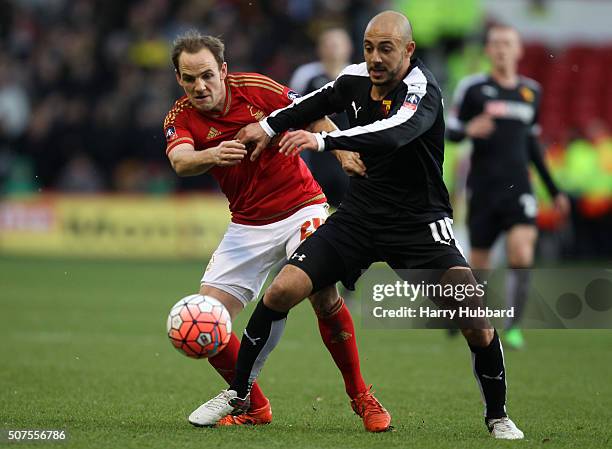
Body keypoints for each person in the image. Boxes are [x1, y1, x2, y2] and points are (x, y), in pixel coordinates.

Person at [191, 11, 524, 440]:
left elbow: (393, 133)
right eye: (368, 47)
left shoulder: (422, 90)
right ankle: (238, 393)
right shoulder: (355, 78)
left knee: (474, 316)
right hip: (361, 216)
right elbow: (313, 102)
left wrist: (324, 140)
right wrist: (268, 125)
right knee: (281, 291)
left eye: (386, 48)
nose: (375, 58)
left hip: (419, 222)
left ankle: (497, 415)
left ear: (408, 50)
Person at [163, 30, 389, 431]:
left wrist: (340, 151)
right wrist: (212, 154)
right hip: (246, 224)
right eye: (189, 78)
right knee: (203, 318)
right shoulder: (180, 116)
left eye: (207, 75)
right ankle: (253, 405)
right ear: (179, 79)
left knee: (322, 295)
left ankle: (361, 397)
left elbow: (313, 114)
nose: (200, 86)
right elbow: (181, 161)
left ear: (223, 71)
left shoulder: (256, 88)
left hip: (302, 207)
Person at [446, 24, 570, 349]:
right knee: (480, 265)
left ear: (518, 50)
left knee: (521, 252)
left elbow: (532, 145)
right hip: (484, 190)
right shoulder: (473, 89)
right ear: (488, 50)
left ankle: (513, 326)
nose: (501, 49)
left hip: (520, 190)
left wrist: (554, 191)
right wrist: (469, 129)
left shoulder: (532, 92)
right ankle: (466, 317)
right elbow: (451, 130)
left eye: (507, 44)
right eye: (496, 44)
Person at [289, 28, 354, 207]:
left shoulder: (359, 76)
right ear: (319, 48)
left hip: (347, 156)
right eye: (328, 44)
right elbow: (292, 111)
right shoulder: (306, 75)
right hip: (314, 156)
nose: (333, 48)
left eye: (337, 44)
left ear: (348, 47)